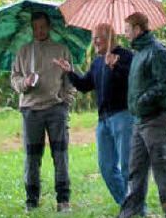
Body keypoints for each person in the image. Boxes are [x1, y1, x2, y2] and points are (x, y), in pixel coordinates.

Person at [53, 22, 134, 205]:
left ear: (110, 38)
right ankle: (126, 204)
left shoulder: (126, 56)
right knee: (106, 167)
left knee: (127, 167)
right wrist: (70, 72)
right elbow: (85, 85)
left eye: (98, 38)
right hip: (103, 121)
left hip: (123, 116)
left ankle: (137, 207)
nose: (94, 42)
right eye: (93, 38)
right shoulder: (98, 62)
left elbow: (132, 80)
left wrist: (116, 67)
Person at [117, 11, 166, 218]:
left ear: (137, 29)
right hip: (139, 120)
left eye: (127, 30)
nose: (125, 35)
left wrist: (144, 99)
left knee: (161, 166)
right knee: (135, 169)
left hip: (156, 118)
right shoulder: (138, 54)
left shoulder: (157, 52)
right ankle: (130, 213)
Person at [10, 11, 75, 212]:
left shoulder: (61, 50)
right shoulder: (23, 52)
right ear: (32, 29)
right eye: (36, 28)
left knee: (60, 155)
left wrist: (66, 102)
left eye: (43, 27)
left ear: (49, 27)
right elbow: (14, 79)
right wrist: (25, 83)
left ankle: (63, 200)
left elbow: (69, 79)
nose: (39, 31)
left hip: (56, 109)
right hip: (31, 110)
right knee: (32, 157)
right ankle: (32, 201)